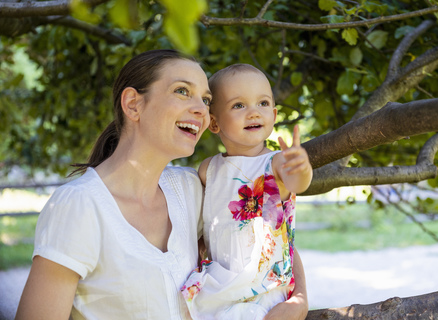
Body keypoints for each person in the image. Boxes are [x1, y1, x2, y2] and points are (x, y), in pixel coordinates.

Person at [15, 49, 213, 319]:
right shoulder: (79, 206)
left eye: (206, 99)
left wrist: (294, 300)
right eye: (182, 91)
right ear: (133, 104)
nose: (202, 110)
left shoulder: (191, 190)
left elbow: (270, 220)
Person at [181, 64, 312, 320]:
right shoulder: (209, 170)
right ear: (214, 123)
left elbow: (297, 183)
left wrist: (301, 167)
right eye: (239, 105)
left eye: (262, 103)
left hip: (263, 292)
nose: (254, 112)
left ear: (274, 114)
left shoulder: (275, 164)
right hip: (220, 288)